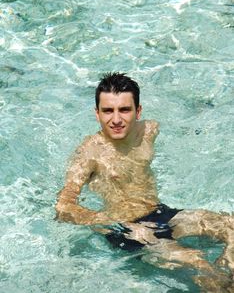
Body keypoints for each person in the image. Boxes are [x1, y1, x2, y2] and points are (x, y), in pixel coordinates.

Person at [56, 72, 234, 291]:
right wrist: (109, 219)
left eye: (124, 109)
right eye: (108, 111)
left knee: (230, 225)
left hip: (161, 213)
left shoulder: (148, 130)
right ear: (97, 114)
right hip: (129, 231)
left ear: (138, 111)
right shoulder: (88, 154)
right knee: (203, 268)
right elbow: (63, 208)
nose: (116, 119)